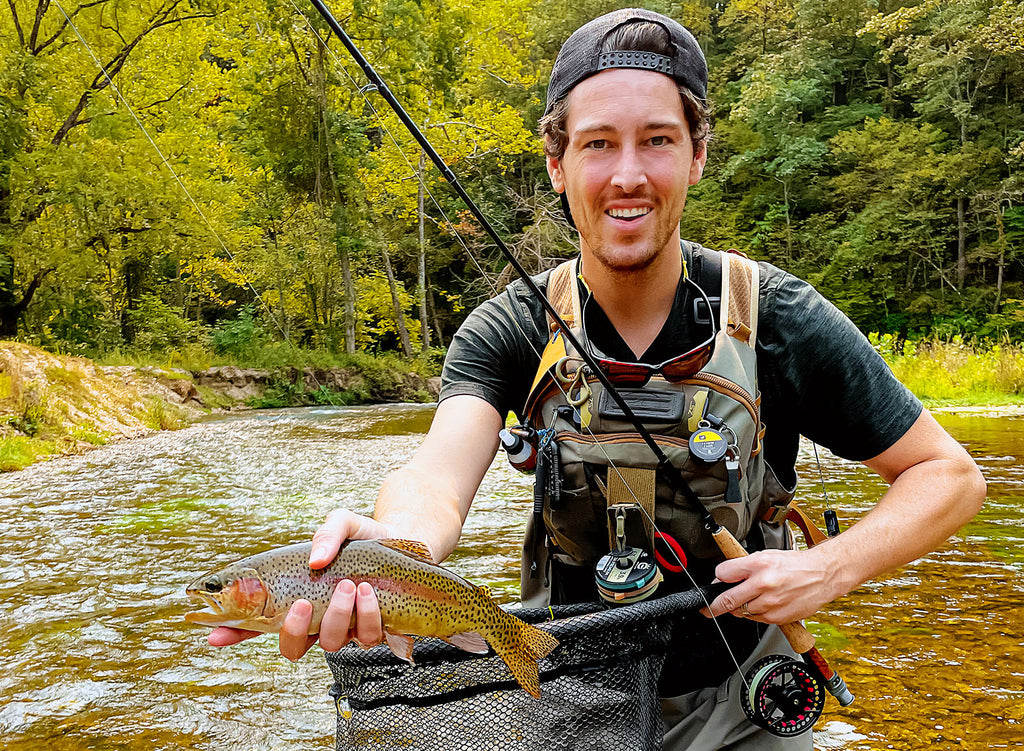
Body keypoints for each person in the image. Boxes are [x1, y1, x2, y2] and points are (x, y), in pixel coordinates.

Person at [208, 8, 986, 748]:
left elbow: (949, 474)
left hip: (743, 695)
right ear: (556, 163)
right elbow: (436, 478)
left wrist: (827, 568)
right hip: (569, 689)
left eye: (656, 140)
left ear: (697, 154)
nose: (628, 175)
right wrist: (396, 547)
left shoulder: (780, 317)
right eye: (597, 144)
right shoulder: (508, 326)